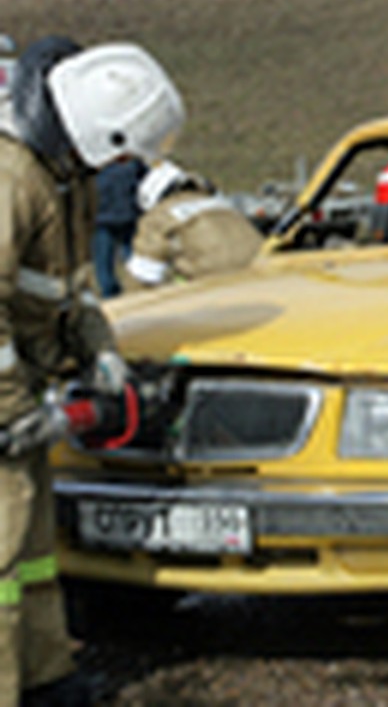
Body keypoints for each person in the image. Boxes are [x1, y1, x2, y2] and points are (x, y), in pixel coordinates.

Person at [0, 37, 184, 705]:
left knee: (33, 550)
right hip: (4, 401)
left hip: (25, 389)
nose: (126, 166)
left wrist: (101, 350)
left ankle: (46, 675)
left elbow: (68, 288)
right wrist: (13, 411)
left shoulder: (60, 176)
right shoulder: (10, 179)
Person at [124, 161, 263, 289]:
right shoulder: (221, 204)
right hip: (261, 281)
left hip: (214, 292)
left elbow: (142, 276)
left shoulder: (159, 217)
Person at [91, 159, 145, 297]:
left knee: (104, 266)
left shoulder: (93, 163)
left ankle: (111, 299)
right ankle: (139, 293)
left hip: (102, 219)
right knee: (135, 262)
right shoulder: (133, 163)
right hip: (129, 216)